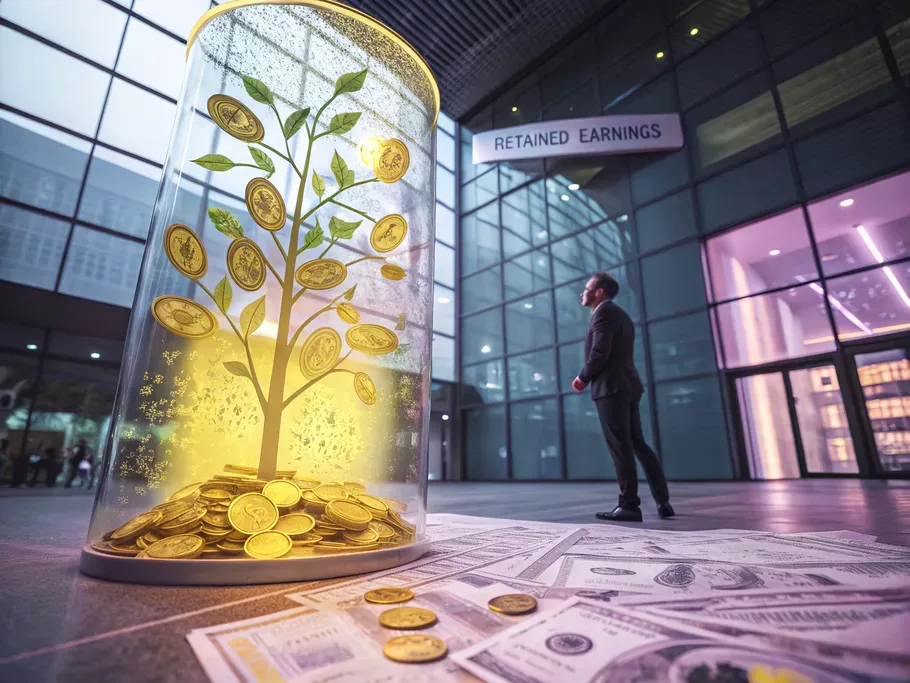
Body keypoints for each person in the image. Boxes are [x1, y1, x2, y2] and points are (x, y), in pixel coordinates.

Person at [572, 272, 674, 522]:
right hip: (627, 386)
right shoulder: (621, 315)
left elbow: (599, 353)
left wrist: (582, 377)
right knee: (637, 443)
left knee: (621, 446)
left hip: (611, 388)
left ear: (599, 292)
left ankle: (629, 505)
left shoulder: (604, 313)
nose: (582, 293)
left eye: (587, 288)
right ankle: (663, 502)